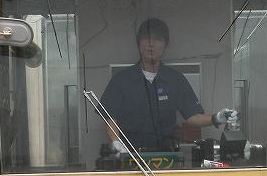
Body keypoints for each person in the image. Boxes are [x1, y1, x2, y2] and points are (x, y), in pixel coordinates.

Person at [100, 17, 237, 152]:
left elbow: (192, 117)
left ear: (166, 46)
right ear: (138, 43)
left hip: (168, 158)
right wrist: (116, 142)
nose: (151, 44)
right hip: (129, 157)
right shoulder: (121, 80)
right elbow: (110, 117)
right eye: (146, 38)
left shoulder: (175, 80)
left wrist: (216, 118)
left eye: (157, 39)